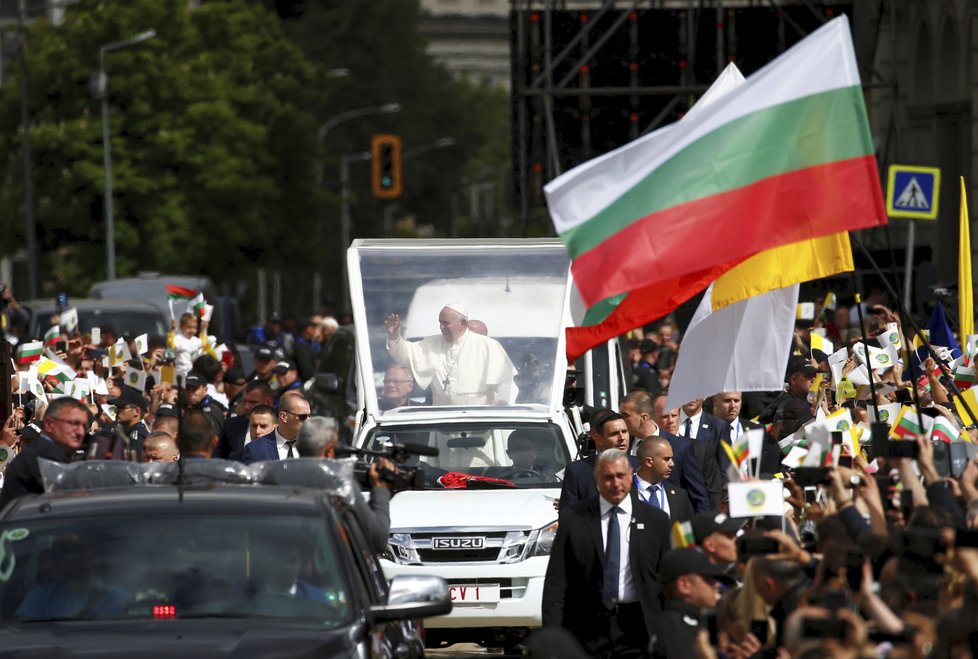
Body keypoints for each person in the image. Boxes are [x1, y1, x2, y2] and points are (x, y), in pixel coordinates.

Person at [542, 449, 671, 658]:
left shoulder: (656, 521)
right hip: (587, 629)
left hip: (639, 629)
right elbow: (557, 582)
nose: (615, 483)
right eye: (608, 477)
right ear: (596, 480)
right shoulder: (574, 519)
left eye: (620, 476)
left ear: (631, 476)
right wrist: (552, 638)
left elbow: (668, 580)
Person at [384, 303, 518, 405]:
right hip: (442, 419)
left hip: (479, 420)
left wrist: (503, 401)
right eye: (440, 322)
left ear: (463, 323)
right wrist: (394, 337)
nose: (441, 327)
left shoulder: (487, 345)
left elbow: (506, 382)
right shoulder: (431, 343)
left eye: (446, 323)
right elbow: (404, 355)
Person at [294, 416, 393, 553]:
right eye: (337, 448)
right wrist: (381, 489)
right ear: (329, 451)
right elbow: (378, 539)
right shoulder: (340, 486)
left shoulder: (276, 480)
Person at [620, 391, 711, 513]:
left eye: (625, 415)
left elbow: (698, 498)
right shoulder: (623, 446)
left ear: (644, 417)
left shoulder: (680, 447)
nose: (621, 420)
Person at [0, 397, 89, 508]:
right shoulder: (41, 457)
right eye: (73, 423)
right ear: (49, 424)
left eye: (84, 426)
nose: (80, 431)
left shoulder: (63, 455)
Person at [648, 548, 732, 658]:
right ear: (684, 585)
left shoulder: (692, 620)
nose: (716, 585)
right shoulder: (676, 630)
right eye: (708, 579)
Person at [558, 411, 638, 510]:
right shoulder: (577, 471)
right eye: (614, 434)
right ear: (598, 438)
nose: (622, 438)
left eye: (625, 431)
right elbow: (568, 516)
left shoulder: (639, 466)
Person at [634, 437, 693, 524]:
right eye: (666, 459)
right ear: (649, 462)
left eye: (671, 458)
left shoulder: (680, 496)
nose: (672, 464)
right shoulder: (625, 493)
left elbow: (686, 533)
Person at [239, 393, 310, 463]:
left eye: (309, 416)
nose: (308, 421)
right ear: (283, 417)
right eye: (303, 417)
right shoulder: (255, 449)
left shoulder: (313, 447)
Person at [217, 380, 274, 459]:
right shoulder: (230, 426)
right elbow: (219, 458)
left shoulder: (283, 429)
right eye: (244, 401)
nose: (247, 407)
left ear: (268, 402)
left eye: (252, 402)